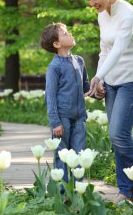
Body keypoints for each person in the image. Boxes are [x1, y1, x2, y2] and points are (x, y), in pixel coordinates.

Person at [82, 0, 133, 204]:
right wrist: (100, 79)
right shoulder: (103, 15)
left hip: (132, 83)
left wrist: (98, 76)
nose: (93, 3)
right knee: (117, 138)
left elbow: (119, 50)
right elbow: (104, 51)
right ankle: (126, 190)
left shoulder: (129, 14)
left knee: (119, 135)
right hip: (112, 84)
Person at [40, 22, 90, 184]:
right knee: (62, 156)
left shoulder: (79, 61)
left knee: (79, 155)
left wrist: (98, 90)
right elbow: (51, 97)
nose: (70, 34)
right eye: (65, 33)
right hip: (62, 121)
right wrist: (55, 122)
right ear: (57, 44)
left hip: (79, 117)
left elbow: (86, 87)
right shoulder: (54, 67)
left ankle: (79, 191)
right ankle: (63, 193)